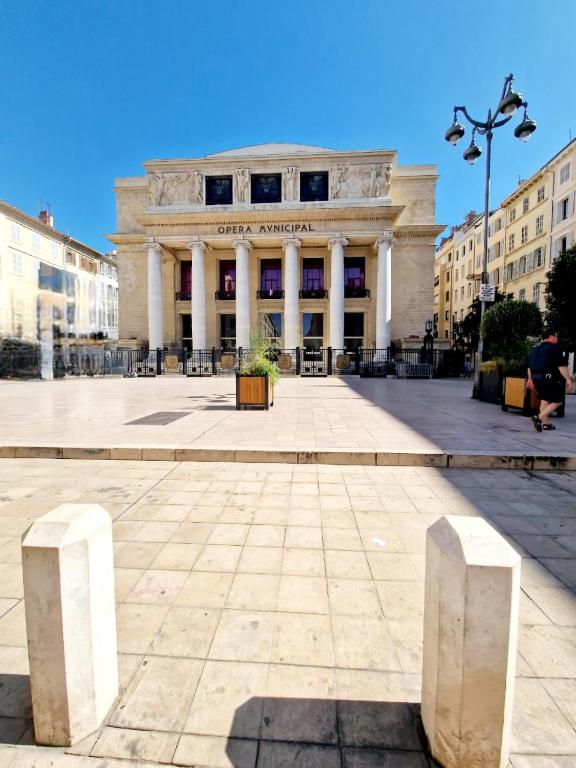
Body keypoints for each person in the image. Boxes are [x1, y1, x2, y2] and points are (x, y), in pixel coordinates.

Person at [527, 329, 574, 431]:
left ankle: (546, 424)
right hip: (549, 377)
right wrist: (568, 379)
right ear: (551, 337)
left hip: (536, 378)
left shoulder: (535, 349)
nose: (557, 339)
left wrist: (530, 379)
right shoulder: (554, 348)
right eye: (556, 336)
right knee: (558, 401)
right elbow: (562, 366)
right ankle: (538, 417)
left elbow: (529, 367)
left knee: (545, 399)